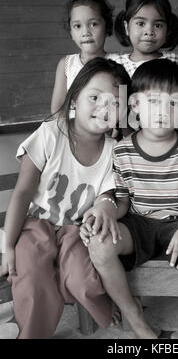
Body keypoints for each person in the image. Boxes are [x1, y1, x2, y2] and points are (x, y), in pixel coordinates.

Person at [81, 59, 178, 339]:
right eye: (154, 101)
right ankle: (135, 318)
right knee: (99, 243)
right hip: (137, 225)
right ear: (133, 106)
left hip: (176, 223)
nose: (163, 111)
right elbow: (121, 203)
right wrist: (101, 214)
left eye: (173, 103)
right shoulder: (121, 151)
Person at [0, 57, 130, 339]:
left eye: (115, 102)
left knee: (84, 281)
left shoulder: (114, 150)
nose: (104, 108)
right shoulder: (50, 133)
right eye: (95, 97)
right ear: (74, 98)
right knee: (32, 279)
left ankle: (102, 307)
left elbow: (107, 196)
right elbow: (22, 192)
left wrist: (104, 207)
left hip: (76, 230)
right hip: (36, 225)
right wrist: (8, 245)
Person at [51, 0, 114, 114]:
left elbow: (121, 109)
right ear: (71, 32)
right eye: (78, 26)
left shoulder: (118, 63)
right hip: (70, 129)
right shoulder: (66, 64)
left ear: (107, 28)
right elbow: (57, 108)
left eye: (93, 24)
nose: (86, 32)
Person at [106, 0, 178, 77]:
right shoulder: (117, 65)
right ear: (127, 28)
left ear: (167, 30)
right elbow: (121, 90)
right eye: (141, 24)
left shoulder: (176, 62)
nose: (149, 32)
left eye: (158, 25)